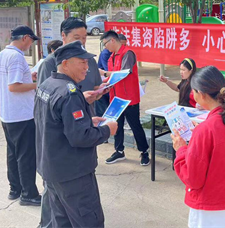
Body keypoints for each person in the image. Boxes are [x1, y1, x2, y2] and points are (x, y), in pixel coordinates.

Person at [34, 41, 118, 228]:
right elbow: (80, 137)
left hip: (53, 169)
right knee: (88, 221)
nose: (87, 68)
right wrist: (107, 130)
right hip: (73, 174)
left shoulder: (47, 84)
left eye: (88, 63)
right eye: (82, 62)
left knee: (62, 221)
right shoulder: (69, 93)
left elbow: (54, 123)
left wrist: (89, 119)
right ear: (65, 64)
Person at [171, 66, 225, 228]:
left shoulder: (206, 130)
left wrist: (181, 149)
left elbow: (193, 178)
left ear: (200, 94)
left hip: (212, 212)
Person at [0, 25, 41, 206]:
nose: (31, 44)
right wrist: (38, 84)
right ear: (25, 38)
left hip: (7, 114)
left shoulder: (2, 55)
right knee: (26, 156)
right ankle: (29, 194)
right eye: (31, 40)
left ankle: (15, 189)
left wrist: (29, 75)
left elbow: (11, 81)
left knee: (13, 154)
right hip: (21, 115)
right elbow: (14, 87)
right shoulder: (16, 57)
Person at [100, 31, 150, 166]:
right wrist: (104, 83)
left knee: (135, 126)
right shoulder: (111, 57)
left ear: (112, 41)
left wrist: (104, 73)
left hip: (129, 99)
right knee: (117, 126)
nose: (105, 47)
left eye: (105, 44)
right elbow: (113, 77)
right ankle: (119, 151)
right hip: (115, 98)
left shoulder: (128, 54)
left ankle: (144, 152)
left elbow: (123, 73)